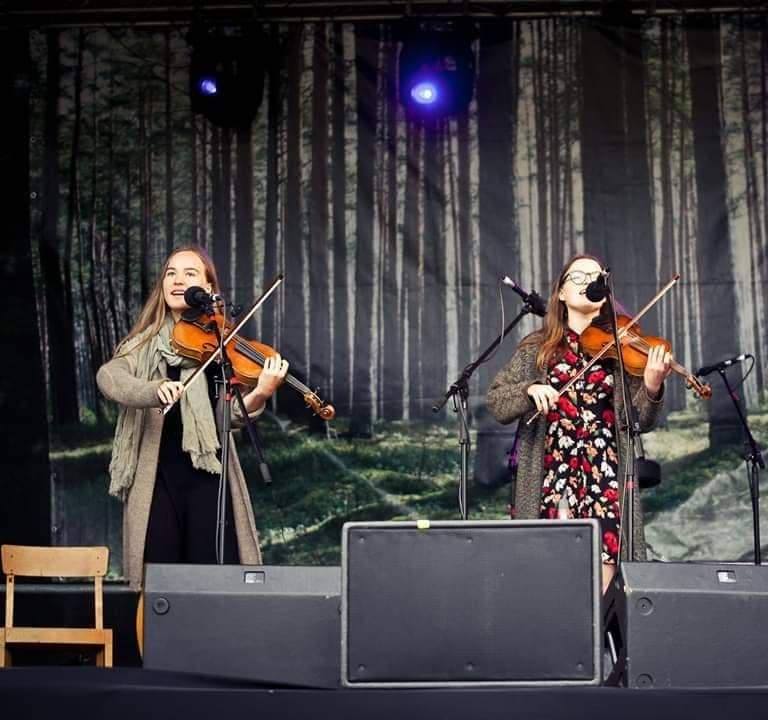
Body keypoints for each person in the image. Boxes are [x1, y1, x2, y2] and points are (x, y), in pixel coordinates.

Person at [97, 246, 288, 589]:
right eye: (171, 272)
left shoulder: (219, 344)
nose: (177, 280)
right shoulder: (144, 345)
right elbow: (110, 378)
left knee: (215, 585)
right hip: (157, 482)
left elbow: (224, 418)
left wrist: (259, 393)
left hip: (211, 481)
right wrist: (152, 389)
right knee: (159, 586)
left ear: (208, 288)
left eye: (189, 274)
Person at [486, 254, 672, 593]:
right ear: (560, 293)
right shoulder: (536, 350)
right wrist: (530, 389)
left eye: (596, 275)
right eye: (579, 276)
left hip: (605, 476)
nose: (590, 280)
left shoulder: (619, 347)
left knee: (605, 573)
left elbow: (641, 419)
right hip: (550, 475)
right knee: (551, 571)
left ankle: (600, 643)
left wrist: (652, 386)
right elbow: (497, 401)